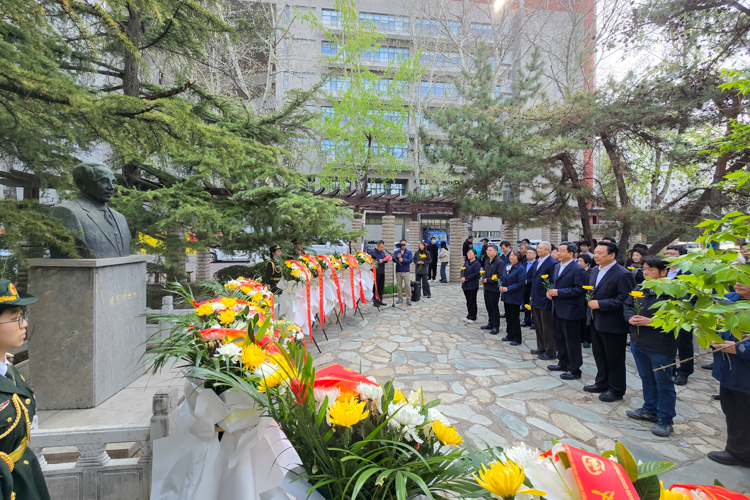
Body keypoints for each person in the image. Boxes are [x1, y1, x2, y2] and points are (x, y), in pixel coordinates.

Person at [0, 280, 51, 500]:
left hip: (24, 478)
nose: (24, 324)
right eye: (15, 317)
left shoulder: (8, 367)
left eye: (23, 315)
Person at [623, 257, 677, 437]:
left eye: (650, 269)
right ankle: (649, 408)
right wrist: (630, 317)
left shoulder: (673, 291)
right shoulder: (641, 288)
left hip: (661, 345)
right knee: (646, 378)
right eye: (644, 269)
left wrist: (652, 321)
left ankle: (666, 419)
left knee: (664, 383)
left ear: (664, 272)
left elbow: (680, 318)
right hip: (639, 342)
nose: (645, 272)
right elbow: (627, 305)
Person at [585, 241, 636, 402]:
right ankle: (602, 382)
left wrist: (601, 304)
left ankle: (616, 389)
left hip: (613, 323)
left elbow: (626, 299)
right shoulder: (595, 270)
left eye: (600, 253)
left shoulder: (622, 274)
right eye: (595, 253)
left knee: (614, 358)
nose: (596, 256)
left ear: (612, 255)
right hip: (596, 320)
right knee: (599, 355)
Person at [707, 284, 750, 468]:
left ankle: (739, 454)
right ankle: (737, 449)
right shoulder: (729, 301)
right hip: (729, 368)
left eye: (744, 279)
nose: (737, 283)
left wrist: (739, 349)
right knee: (733, 410)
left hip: (744, 371)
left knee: (742, 412)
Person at [546, 242, 587, 380]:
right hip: (558, 308)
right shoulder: (557, 266)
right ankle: (563, 362)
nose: (558, 253)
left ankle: (574, 369)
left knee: (572, 340)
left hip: (571, 310)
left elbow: (579, 289)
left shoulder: (577, 269)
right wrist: (551, 291)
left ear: (571, 254)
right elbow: (554, 282)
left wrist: (559, 292)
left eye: (562, 251)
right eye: (558, 250)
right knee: (559, 337)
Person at [664, 245, 694, 386]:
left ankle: (684, 371)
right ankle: (671, 368)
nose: (669, 256)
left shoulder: (689, 273)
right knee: (667, 341)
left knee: (684, 343)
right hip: (665, 311)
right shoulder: (664, 271)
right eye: (667, 253)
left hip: (683, 312)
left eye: (673, 253)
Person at [529, 241, 558, 360]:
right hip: (536, 297)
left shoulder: (552, 263)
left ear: (548, 250)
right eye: (538, 248)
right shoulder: (537, 261)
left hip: (545, 298)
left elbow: (553, 281)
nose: (538, 250)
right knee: (538, 325)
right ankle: (541, 347)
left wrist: (549, 293)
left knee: (547, 327)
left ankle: (550, 351)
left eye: (541, 248)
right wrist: (532, 294)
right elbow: (534, 279)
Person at [500, 250, 527, 345]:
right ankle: (510, 334)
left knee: (514, 318)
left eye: (514, 256)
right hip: (506, 295)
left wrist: (508, 288)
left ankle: (517, 338)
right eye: (510, 255)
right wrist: (500, 285)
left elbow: (521, 283)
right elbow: (502, 278)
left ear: (518, 257)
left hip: (514, 295)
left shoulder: (520, 268)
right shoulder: (507, 266)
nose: (511, 257)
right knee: (508, 316)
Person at [480, 245, 504, 335]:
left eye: (490, 250)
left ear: (496, 252)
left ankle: (496, 326)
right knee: (488, 306)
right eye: (487, 250)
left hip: (494, 288)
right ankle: (490, 323)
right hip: (486, 288)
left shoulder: (499, 262)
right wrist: (482, 277)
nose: (488, 252)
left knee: (494, 308)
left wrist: (488, 280)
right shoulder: (487, 261)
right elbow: (484, 271)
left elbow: (499, 276)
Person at [577, 253, 594, 348]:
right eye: (578, 261)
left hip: (588, 298)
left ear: (587, 263)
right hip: (579, 297)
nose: (579, 263)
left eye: (581, 261)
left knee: (587, 319)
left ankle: (587, 339)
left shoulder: (591, 272)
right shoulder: (577, 271)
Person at [461, 249, 481, 323]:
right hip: (465, 284)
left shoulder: (477, 264)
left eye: (470, 253)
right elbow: (462, 270)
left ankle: (473, 316)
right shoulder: (466, 262)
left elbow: (476, 273)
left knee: (472, 301)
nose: (468, 254)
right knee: (468, 301)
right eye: (468, 253)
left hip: (472, 285)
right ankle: (469, 315)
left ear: (474, 255)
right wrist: (462, 277)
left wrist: (466, 278)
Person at [368, 240, 387, 307]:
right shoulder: (372, 252)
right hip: (376, 271)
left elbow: (383, 258)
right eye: (381, 247)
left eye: (382, 247)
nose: (381, 248)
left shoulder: (382, 252)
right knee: (376, 287)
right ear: (377, 246)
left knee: (381, 286)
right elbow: (370, 261)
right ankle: (375, 301)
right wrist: (378, 261)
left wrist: (386, 260)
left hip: (382, 271)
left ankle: (380, 300)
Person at [394, 240, 413, 306]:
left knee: (407, 285)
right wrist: (397, 257)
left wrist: (403, 260)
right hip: (398, 270)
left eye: (404, 244)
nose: (403, 246)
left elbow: (410, 260)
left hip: (406, 271)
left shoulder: (409, 252)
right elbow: (393, 259)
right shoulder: (397, 251)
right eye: (402, 244)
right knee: (399, 285)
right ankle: (400, 298)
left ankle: (408, 298)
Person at [522, 248, 537, 328]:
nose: (528, 255)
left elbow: (537, 277)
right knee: (526, 304)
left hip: (532, 287)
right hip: (524, 288)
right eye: (527, 253)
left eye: (530, 253)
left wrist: (528, 281)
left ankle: (534, 321)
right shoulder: (524, 264)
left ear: (535, 255)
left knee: (533, 305)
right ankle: (526, 320)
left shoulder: (537, 264)